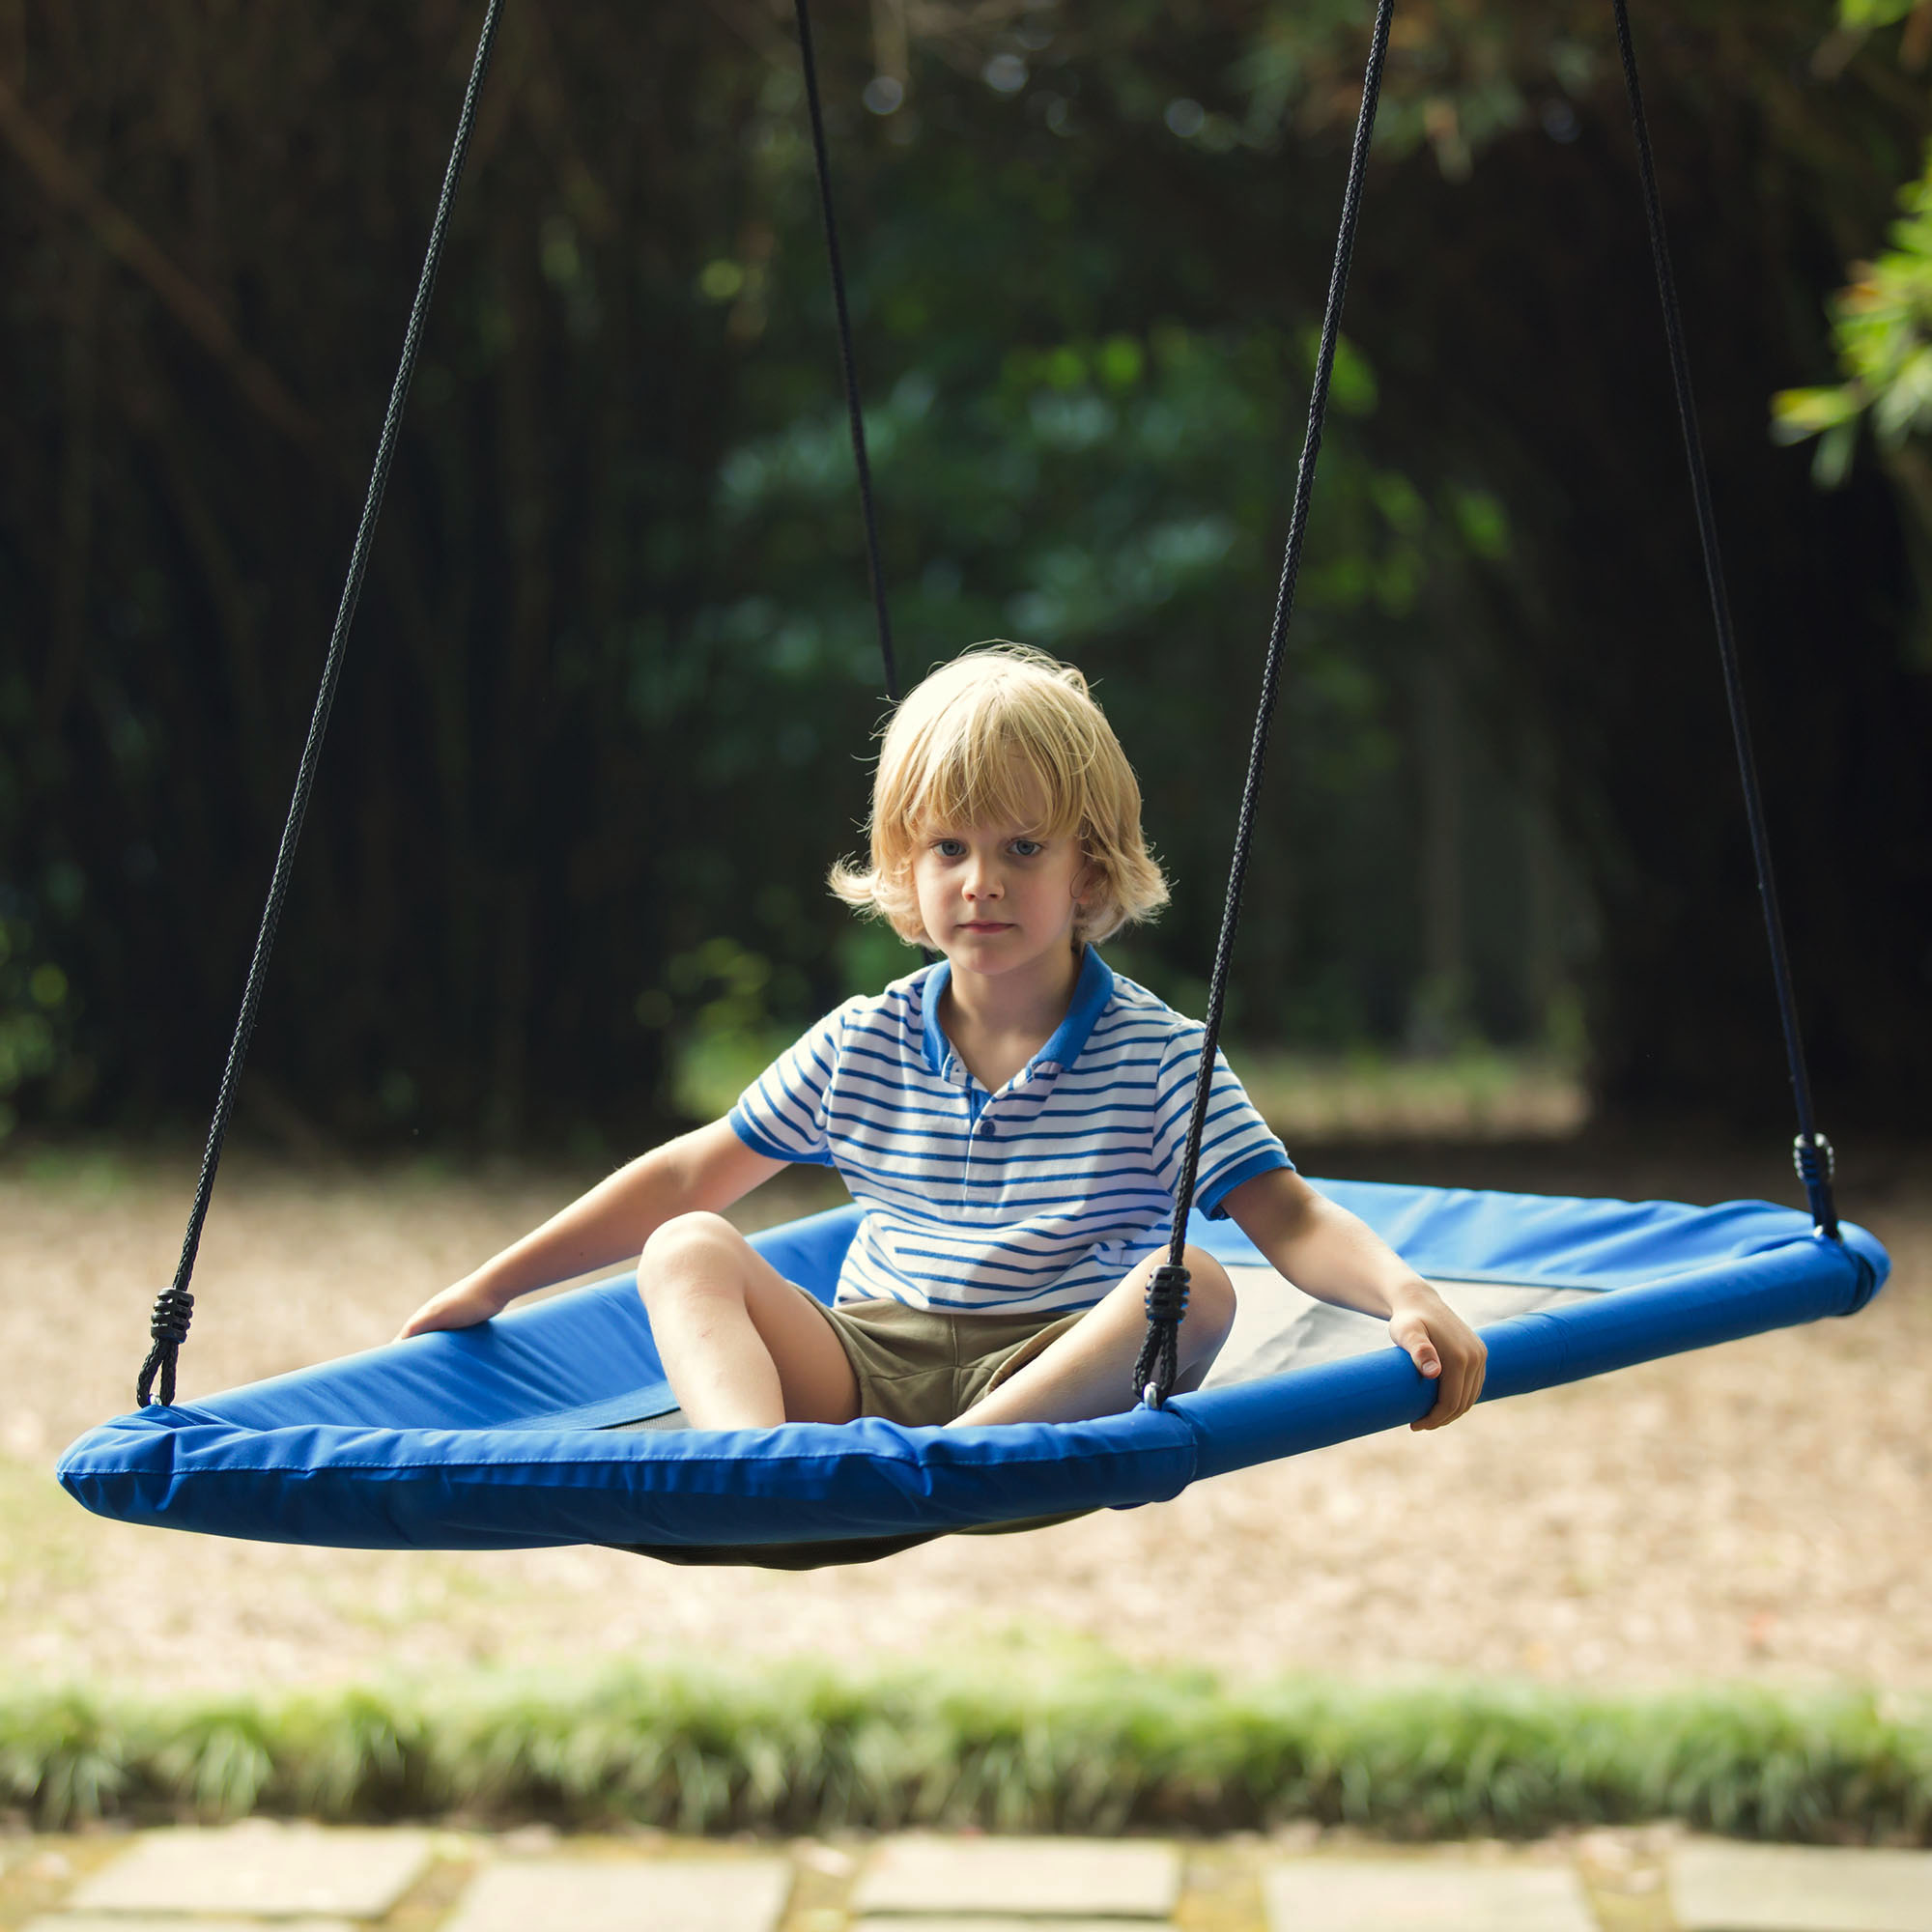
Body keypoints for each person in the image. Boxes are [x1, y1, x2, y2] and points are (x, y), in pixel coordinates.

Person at [400, 644, 1487, 1435]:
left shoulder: (1158, 1058)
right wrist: (495, 1284)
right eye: (949, 846)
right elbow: (692, 1169)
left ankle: (964, 1461)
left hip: (1056, 1360)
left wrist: (1403, 1290)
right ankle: (758, 1470)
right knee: (686, 1245)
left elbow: (1285, 1212)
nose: (982, 880)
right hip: (868, 1352)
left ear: (1090, 872)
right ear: (906, 871)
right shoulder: (864, 1040)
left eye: (1022, 846)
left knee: (1193, 1281)